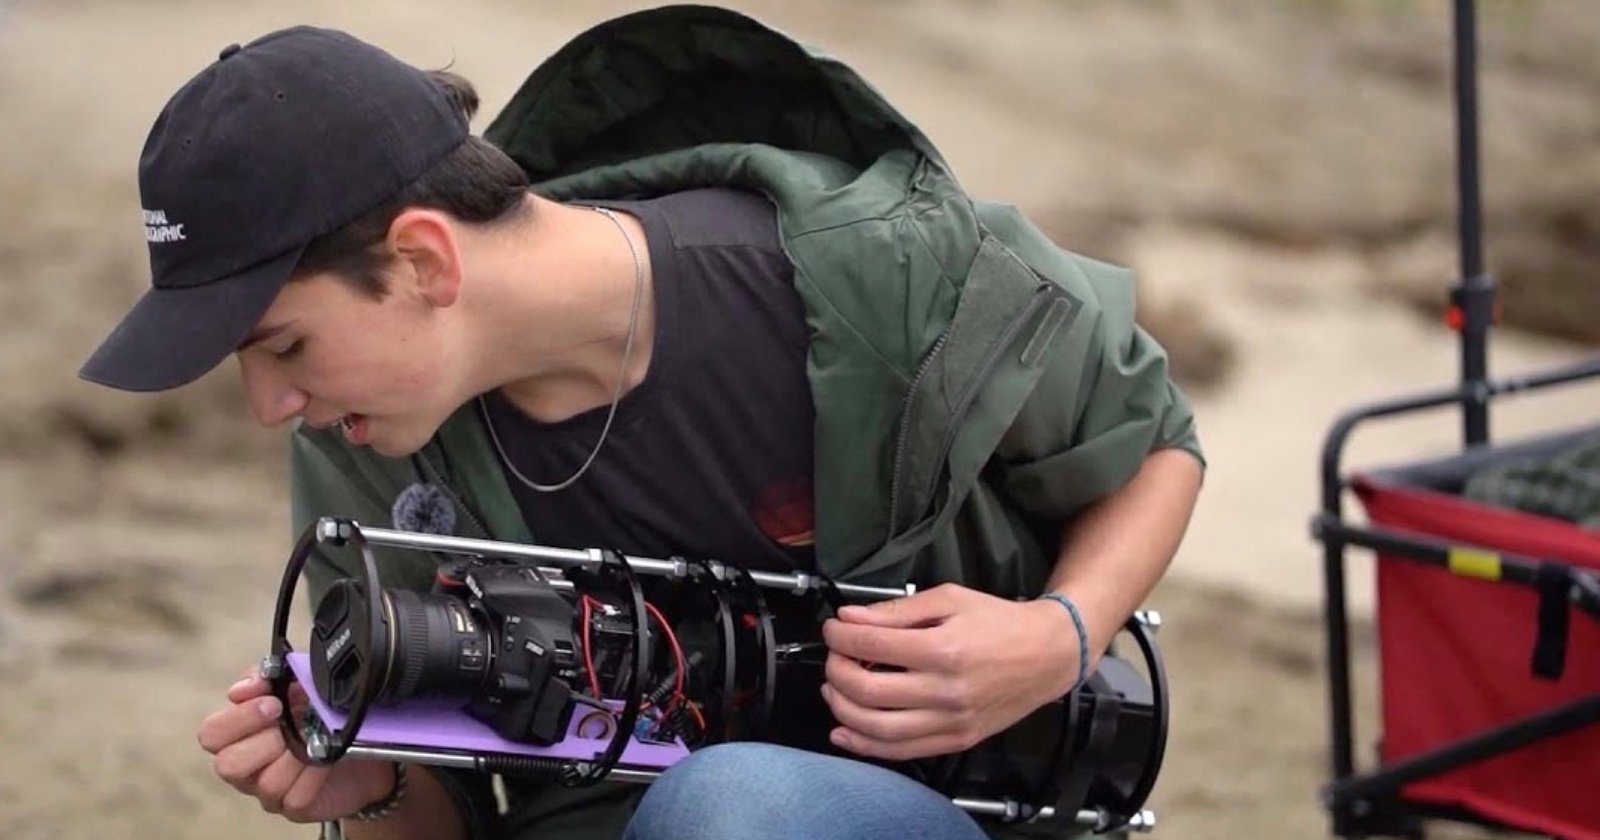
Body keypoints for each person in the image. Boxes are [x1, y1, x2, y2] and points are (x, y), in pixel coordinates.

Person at [80, 8, 1203, 840]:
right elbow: (436, 818)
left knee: (732, 808)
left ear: (424, 261)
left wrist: (1054, 639)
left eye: (283, 346)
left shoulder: (878, 276)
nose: (270, 407)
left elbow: (1152, 443)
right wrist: (369, 783)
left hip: (932, 810)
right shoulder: (365, 445)